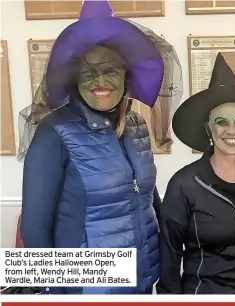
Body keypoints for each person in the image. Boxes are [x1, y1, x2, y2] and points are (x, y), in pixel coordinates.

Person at [18, 0, 183, 294]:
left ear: (127, 75)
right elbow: (34, 228)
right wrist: (53, 294)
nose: (101, 81)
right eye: (88, 72)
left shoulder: (136, 125)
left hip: (142, 280)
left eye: (111, 70)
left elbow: (145, 196)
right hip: (88, 290)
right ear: (73, 78)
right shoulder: (55, 132)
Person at [156, 53, 235, 294]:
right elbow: (170, 253)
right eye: (221, 122)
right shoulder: (185, 183)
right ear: (209, 129)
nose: (232, 130)